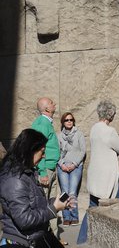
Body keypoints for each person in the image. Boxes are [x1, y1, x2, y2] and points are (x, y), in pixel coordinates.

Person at [0, 128, 71, 247]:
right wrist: (53, 209)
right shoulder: (14, 180)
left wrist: (56, 203)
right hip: (23, 241)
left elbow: (34, 203)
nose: (44, 156)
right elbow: (24, 220)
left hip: (37, 237)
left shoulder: (27, 172)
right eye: (42, 152)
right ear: (30, 151)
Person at [77, 100, 119, 244]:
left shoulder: (94, 128)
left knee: (92, 207)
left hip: (95, 175)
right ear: (110, 114)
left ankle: (82, 240)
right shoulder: (109, 131)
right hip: (108, 176)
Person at [31, 97, 60, 235]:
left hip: (51, 168)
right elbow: (37, 148)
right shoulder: (42, 123)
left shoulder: (47, 123)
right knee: (44, 204)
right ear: (47, 109)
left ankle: (53, 237)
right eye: (51, 103)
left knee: (52, 203)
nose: (54, 104)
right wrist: (42, 172)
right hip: (46, 169)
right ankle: (44, 237)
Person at [57, 112, 86, 226]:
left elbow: (82, 151)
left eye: (71, 120)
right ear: (63, 122)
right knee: (64, 191)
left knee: (72, 192)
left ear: (73, 121)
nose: (69, 122)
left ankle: (74, 216)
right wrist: (62, 164)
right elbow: (57, 152)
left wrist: (74, 164)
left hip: (76, 166)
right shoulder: (58, 136)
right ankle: (66, 217)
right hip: (62, 166)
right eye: (66, 120)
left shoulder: (79, 134)